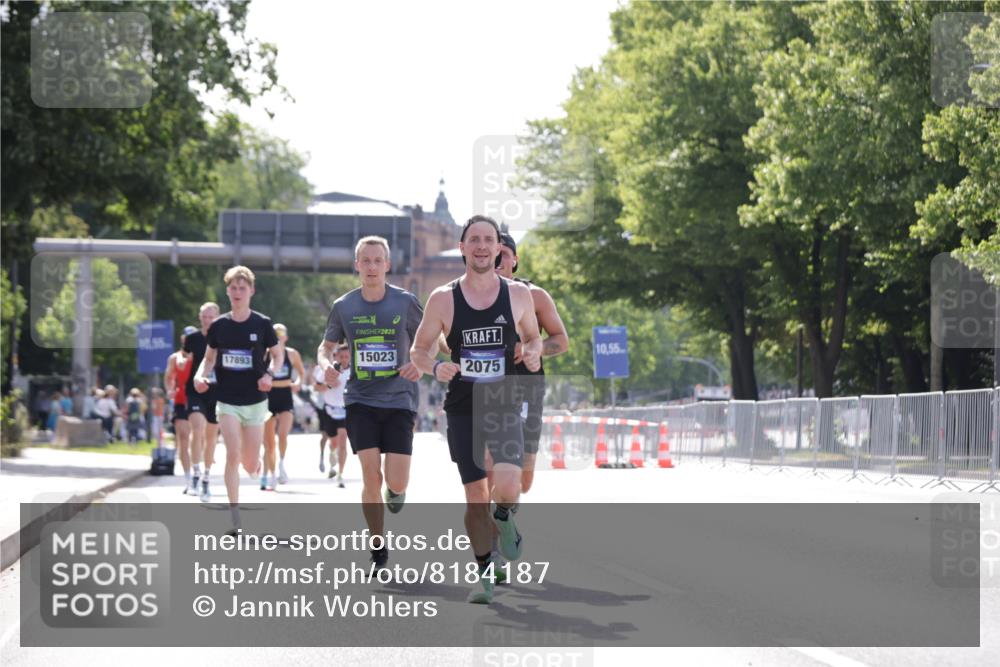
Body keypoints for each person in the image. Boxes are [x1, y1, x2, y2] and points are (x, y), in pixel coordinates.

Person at [410, 214, 542, 604]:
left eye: (490, 240)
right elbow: (418, 350)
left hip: (503, 404)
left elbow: (534, 337)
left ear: (499, 248)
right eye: (474, 240)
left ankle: (504, 517)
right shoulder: (442, 298)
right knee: (473, 497)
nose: (483, 246)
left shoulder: (517, 295)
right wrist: (435, 366)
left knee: (507, 486)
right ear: (462, 247)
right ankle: (484, 573)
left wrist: (532, 353)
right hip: (463, 408)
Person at [316, 236, 423, 572]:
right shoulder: (344, 306)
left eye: (379, 260)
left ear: (388, 265)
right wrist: (326, 367)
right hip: (360, 399)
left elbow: (429, 341)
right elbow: (325, 347)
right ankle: (378, 547)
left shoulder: (405, 303)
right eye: (366, 260)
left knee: (397, 482)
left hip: (399, 399)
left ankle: (397, 490)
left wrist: (420, 363)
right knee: (369, 476)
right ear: (357, 265)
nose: (372, 266)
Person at [193, 266, 282, 533]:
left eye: (243, 288)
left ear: (251, 291)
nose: (238, 292)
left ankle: (255, 463)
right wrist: (200, 376)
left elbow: (278, 356)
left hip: (255, 401)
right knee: (232, 454)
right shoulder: (219, 326)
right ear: (228, 291)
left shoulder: (262, 324)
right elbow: (209, 359)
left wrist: (270, 374)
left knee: (249, 462)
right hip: (227, 400)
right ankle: (235, 518)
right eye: (233, 288)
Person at [495, 231, 568, 493]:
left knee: (523, 481)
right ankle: (495, 521)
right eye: (492, 252)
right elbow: (447, 339)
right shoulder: (467, 295)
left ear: (515, 259)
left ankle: (503, 509)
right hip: (484, 387)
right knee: (489, 466)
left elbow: (561, 340)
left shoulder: (535, 296)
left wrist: (532, 350)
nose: (497, 259)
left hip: (527, 386)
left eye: (503, 254)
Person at [261, 323, 306, 490]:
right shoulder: (265, 354)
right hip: (268, 396)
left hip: (285, 395)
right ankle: (270, 475)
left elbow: (301, 372)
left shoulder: (292, 354)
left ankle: (281, 464)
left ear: (286, 337)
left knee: (283, 435)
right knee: (269, 441)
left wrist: (298, 383)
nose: (278, 340)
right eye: (275, 337)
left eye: (281, 337)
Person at [185, 303, 221, 502]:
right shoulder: (193, 338)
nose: (207, 320)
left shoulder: (223, 337)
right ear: (200, 317)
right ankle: (195, 474)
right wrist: (182, 361)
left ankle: (207, 475)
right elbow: (185, 355)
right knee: (196, 428)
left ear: (217, 317)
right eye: (204, 317)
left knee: (211, 437)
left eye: (211, 317)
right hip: (196, 390)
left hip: (216, 392)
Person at [313, 343, 351, 487]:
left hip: (346, 410)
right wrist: (329, 385)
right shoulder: (328, 370)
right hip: (329, 409)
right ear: (336, 356)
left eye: (347, 356)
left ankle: (340, 474)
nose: (344, 359)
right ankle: (332, 456)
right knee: (333, 442)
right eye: (341, 356)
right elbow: (316, 387)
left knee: (343, 441)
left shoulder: (354, 371)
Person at [166, 326, 196, 493]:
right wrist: (169, 388)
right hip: (181, 400)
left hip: (200, 399)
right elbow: (168, 377)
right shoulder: (175, 358)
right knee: (183, 438)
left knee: (198, 438)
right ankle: (188, 479)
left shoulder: (202, 354)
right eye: (187, 338)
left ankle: (199, 472)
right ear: (183, 339)